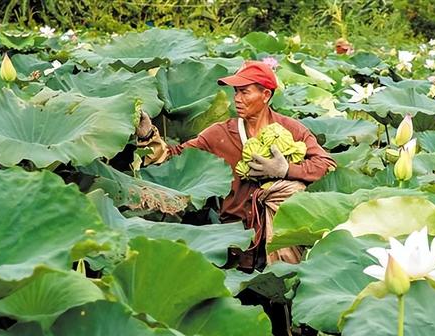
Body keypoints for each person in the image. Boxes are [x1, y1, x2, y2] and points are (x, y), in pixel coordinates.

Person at [136, 61, 336, 271]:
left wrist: (286, 170)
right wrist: (148, 134)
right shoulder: (219, 134)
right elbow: (174, 158)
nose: (237, 99)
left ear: (266, 95)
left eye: (244, 92)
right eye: (235, 93)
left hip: (281, 241)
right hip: (234, 246)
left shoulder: (291, 130)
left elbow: (326, 165)